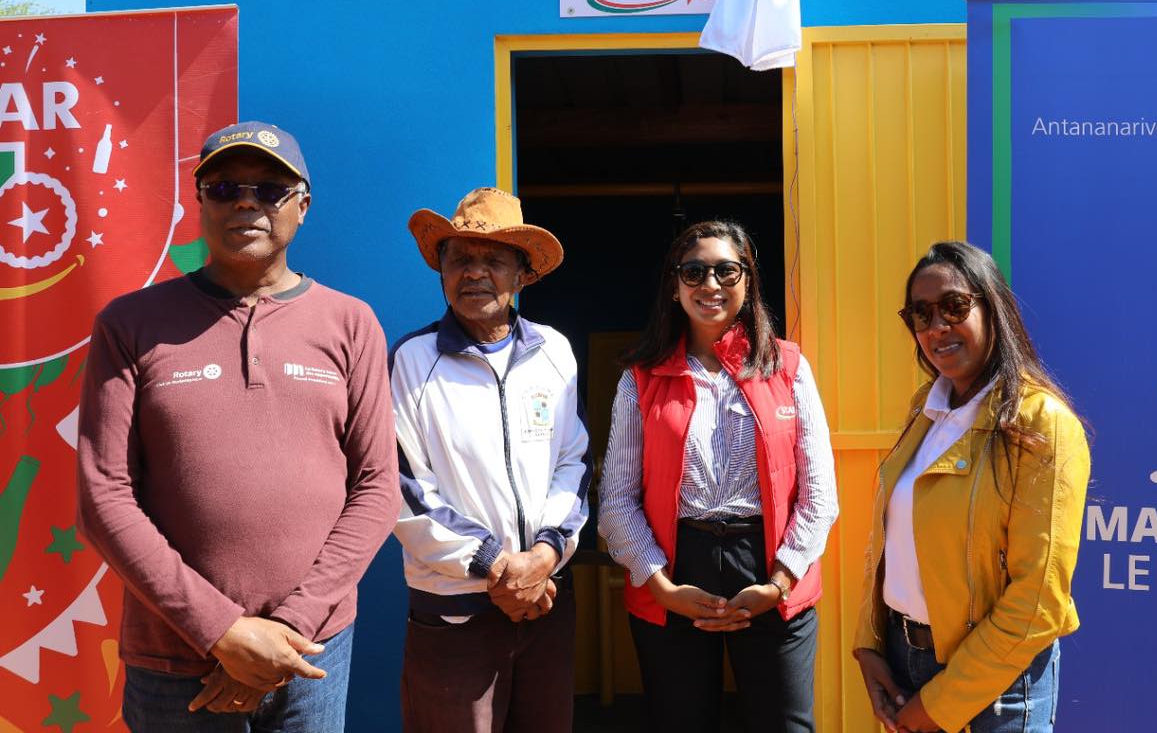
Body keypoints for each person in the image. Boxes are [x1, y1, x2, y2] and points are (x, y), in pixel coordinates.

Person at [77, 121, 400, 730]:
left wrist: (286, 632)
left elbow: (379, 487)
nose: (247, 201)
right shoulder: (131, 324)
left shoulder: (350, 323)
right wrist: (221, 631)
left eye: (270, 189)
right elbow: (103, 497)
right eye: (225, 187)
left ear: (303, 205)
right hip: (175, 661)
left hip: (310, 655)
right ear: (199, 202)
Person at [598, 220, 839, 733]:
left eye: (727, 271)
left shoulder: (789, 367)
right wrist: (664, 589)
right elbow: (617, 500)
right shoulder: (639, 378)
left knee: (785, 726)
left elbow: (820, 496)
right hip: (675, 567)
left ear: (748, 281)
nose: (710, 285)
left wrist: (778, 583)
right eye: (694, 272)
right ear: (674, 285)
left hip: (772, 567)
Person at [851, 241, 1091, 733]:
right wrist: (870, 644)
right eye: (920, 314)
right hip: (903, 660)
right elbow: (890, 541)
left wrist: (943, 700)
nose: (936, 327)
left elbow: (1039, 601)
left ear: (993, 307)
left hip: (997, 684)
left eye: (954, 307)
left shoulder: (1042, 423)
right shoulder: (926, 407)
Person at [390, 186, 590, 733]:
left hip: (544, 602)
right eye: (460, 259)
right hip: (456, 613)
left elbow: (572, 463)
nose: (474, 273)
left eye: (494, 260)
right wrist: (497, 566)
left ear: (522, 274)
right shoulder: (414, 360)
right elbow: (403, 489)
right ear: (442, 271)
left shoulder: (554, 352)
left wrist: (545, 555)